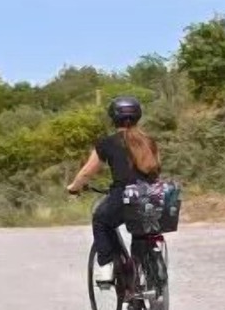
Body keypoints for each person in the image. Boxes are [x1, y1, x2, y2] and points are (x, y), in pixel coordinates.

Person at [66, 96, 161, 282]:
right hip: (151, 197)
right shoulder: (149, 141)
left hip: (123, 197)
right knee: (142, 229)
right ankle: (146, 274)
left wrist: (73, 188)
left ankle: (107, 266)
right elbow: (156, 169)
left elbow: (86, 173)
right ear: (138, 117)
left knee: (101, 220)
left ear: (113, 118)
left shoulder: (107, 143)